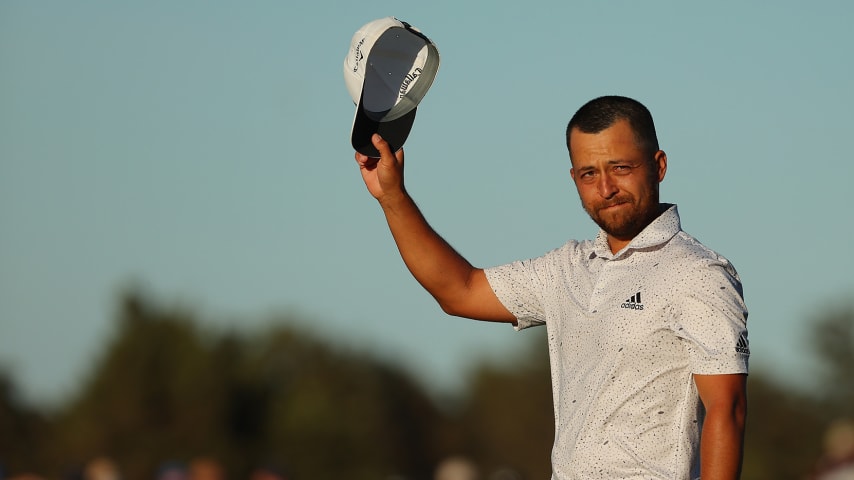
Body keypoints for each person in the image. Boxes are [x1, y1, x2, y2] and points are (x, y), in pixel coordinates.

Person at [354, 95, 749, 479]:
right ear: (574, 178)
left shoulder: (697, 272)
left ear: (658, 165)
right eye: (589, 174)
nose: (606, 187)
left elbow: (726, 409)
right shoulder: (565, 268)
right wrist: (391, 196)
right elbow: (460, 290)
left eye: (621, 168)